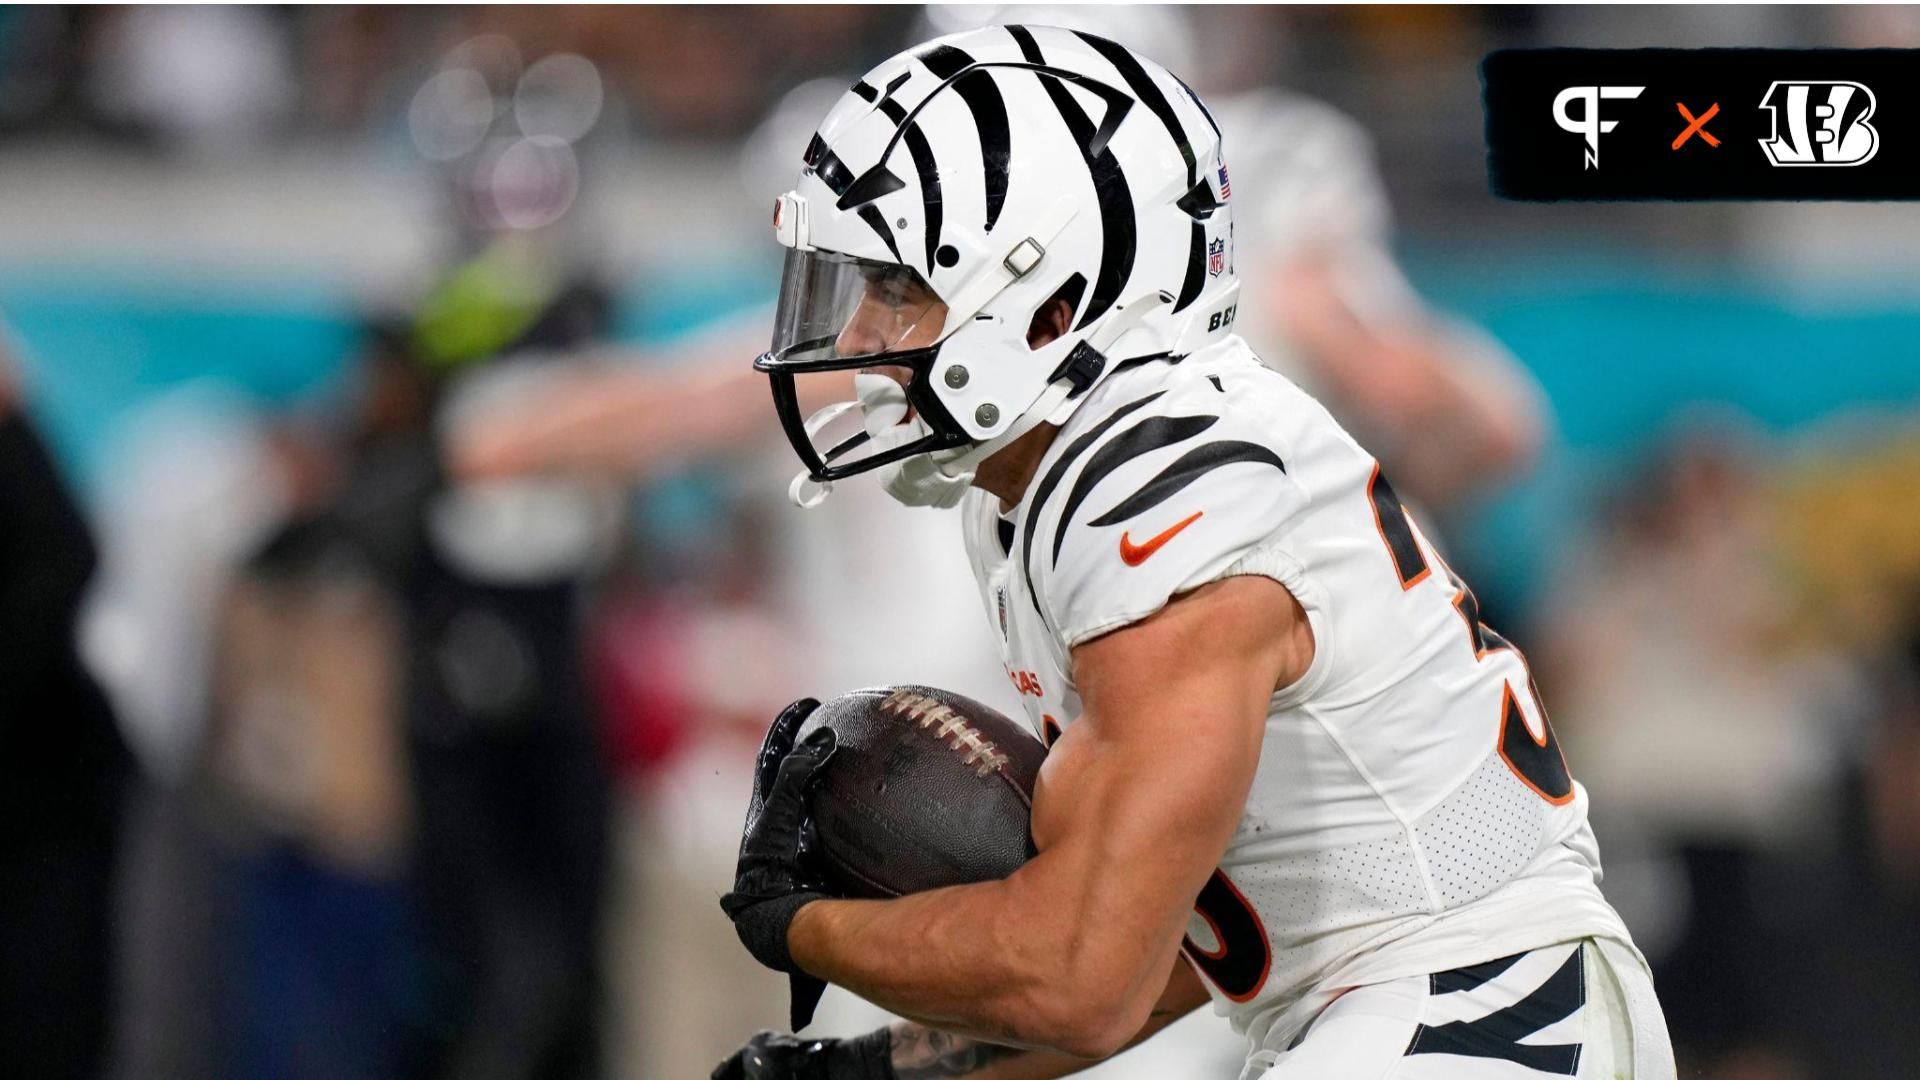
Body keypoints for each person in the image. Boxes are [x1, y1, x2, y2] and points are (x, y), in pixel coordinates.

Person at [714, 25, 1674, 1080]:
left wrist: (790, 920)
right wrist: (873, 1069)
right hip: (1418, 1009)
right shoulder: (1048, 481)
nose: (856, 339)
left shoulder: (1161, 495)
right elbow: (1193, 943)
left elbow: (1082, 977)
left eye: (897, 288)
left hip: (1479, 1012)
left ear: (1050, 305)